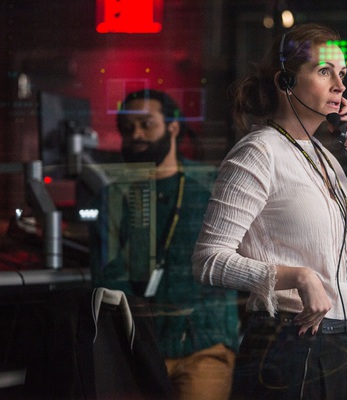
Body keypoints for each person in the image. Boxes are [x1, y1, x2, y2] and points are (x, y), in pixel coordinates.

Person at [191, 23, 347, 399]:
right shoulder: (259, 152)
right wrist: (299, 277)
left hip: (343, 342)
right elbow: (208, 261)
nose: (340, 86)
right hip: (289, 340)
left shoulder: (326, 157)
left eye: (343, 74)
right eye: (324, 71)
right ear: (286, 81)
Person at [90, 89, 239, 400]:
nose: (136, 134)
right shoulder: (116, 195)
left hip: (204, 345)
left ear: (172, 127)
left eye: (146, 124)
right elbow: (106, 271)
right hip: (138, 349)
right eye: (128, 128)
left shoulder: (209, 184)